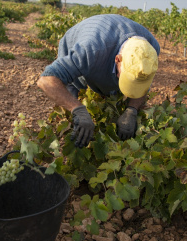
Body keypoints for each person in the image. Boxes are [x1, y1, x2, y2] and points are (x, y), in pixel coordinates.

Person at [37, 14, 160, 148]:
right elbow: (46, 80)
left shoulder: (151, 51)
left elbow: (143, 82)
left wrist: (132, 109)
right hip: (87, 46)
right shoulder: (90, 50)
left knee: (112, 98)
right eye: (124, 76)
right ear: (117, 59)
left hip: (106, 52)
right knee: (74, 104)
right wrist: (77, 109)